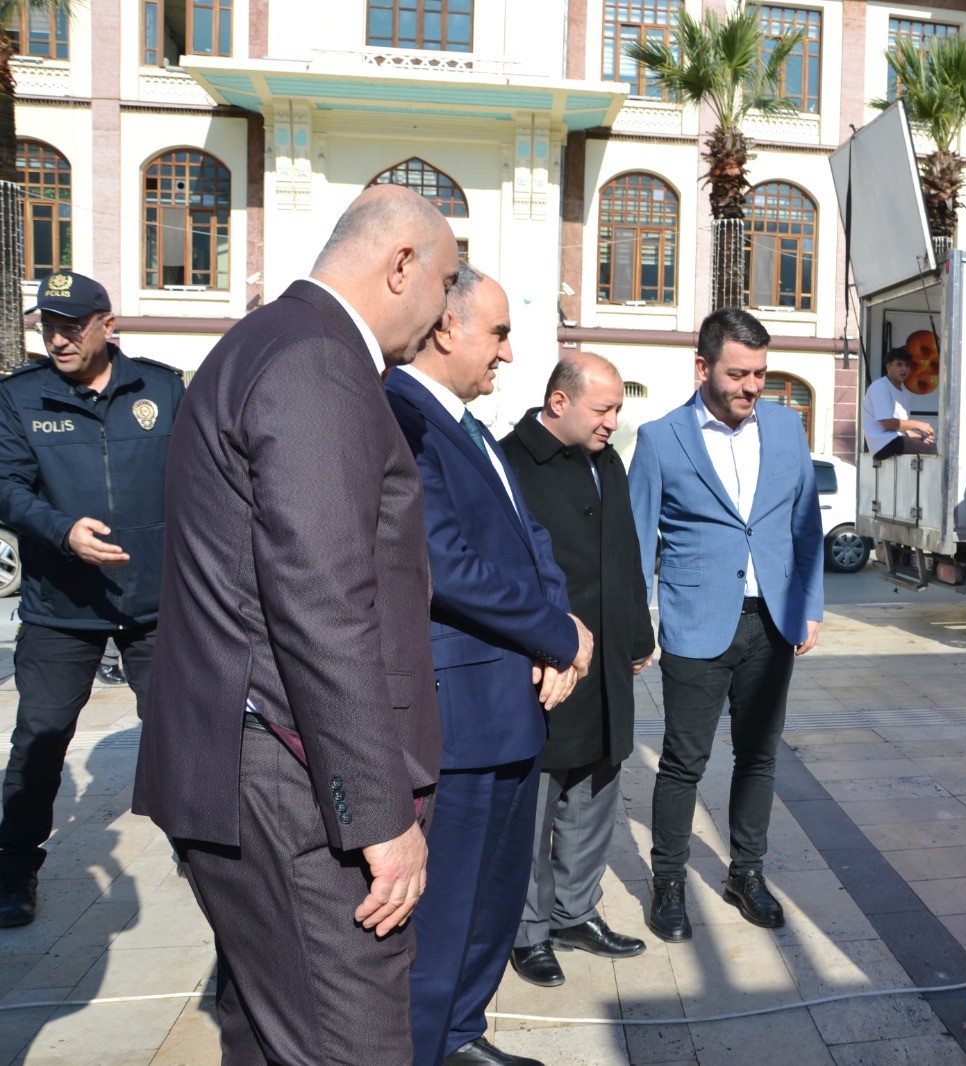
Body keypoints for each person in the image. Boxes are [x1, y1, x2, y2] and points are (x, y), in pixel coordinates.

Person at [132, 185, 459, 1065]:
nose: (443, 314)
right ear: (401, 265)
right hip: (293, 787)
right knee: (352, 1044)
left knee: (268, 1031)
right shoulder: (316, 359)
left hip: (250, 767)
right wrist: (379, 817)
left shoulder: (270, 341)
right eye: (445, 283)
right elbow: (322, 603)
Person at [387, 264, 591, 1066]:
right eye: (499, 333)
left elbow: (532, 540)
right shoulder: (401, 416)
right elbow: (446, 563)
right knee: (446, 914)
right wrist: (557, 636)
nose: (508, 353)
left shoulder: (469, 427)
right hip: (460, 717)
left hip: (514, 707)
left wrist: (560, 631)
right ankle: (423, 1048)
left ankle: (462, 1034)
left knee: (494, 903)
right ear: (447, 327)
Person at [629, 308, 824, 942]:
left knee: (759, 756)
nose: (751, 386)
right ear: (702, 367)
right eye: (738, 374)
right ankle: (667, 881)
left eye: (760, 374)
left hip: (772, 622)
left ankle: (746, 872)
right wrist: (636, 625)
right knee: (683, 761)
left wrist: (811, 604)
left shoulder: (787, 428)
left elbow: (805, 524)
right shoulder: (661, 438)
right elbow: (637, 542)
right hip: (695, 624)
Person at [0, 270, 184, 928]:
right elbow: (7, 486)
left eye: (72, 326)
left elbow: (201, 480)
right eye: (50, 326)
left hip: (155, 604)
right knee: (41, 738)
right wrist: (61, 532)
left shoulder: (161, 389)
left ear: (109, 325)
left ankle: (200, 849)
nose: (58, 338)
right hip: (62, 605)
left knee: (180, 733)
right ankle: (14, 870)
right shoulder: (20, 397)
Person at [500, 353, 655, 988]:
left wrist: (637, 633)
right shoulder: (511, 462)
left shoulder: (607, 461)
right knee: (537, 803)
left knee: (595, 791)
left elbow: (625, 551)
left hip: (607, 660)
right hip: (545, 665)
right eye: (603, 409)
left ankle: (575, 912)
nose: (612, 422)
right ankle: (528, 931)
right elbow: (502, 572)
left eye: (617, 409)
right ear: (559, 402)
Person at [861, 345, 936, 460]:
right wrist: (919, 425)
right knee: (936, 453)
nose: (904, 369)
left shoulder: (904, 392)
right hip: (883, 444)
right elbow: (887, 423)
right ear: (888, 367)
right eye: (899, 364)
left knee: (933, 448)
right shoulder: (880, 387)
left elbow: (902, 429)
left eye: (907, 365)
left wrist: (921, 438)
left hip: (895, 441)